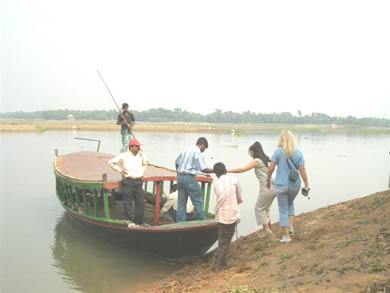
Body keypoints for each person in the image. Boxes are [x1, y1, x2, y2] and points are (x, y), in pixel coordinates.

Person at [266, 130, 310, 243]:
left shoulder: (277, 152)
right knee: (290, 204)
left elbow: (271, 168)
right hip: (294, 185)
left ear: (281, 139)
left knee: (283, 209)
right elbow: (302, 170)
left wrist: (267, 179)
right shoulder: (299, 152)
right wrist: (306, 184)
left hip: (281, 185)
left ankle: (286, 237)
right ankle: (290, 227)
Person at [228, 142, 276, 233]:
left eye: (250, 152)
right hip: (274, 187)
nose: (250, 154)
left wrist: (227, 170)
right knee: (266, 209)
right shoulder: (267, 159)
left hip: (266, 187)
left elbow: (242, 169)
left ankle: (267, 231)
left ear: (253, 151)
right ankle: (269, 230)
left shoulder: (257, 161)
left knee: (259, 209)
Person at [108, 138, 148, 227]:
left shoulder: (142, 155)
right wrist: (120, 171)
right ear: (131, 147)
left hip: (138, 181)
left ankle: (139, 222)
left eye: (139, 146)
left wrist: (142, 173)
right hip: (128, 181)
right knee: (128, 202)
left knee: (141, 202)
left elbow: (145, 164)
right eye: (136, 146)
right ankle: (130, 222)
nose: (138, 148)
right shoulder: (124, 156)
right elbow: (111, 162)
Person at [175, 137, 214, 222]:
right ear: (202, 145)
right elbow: (203, 169)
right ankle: (202, 221)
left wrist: (178, 174)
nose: (203, 151)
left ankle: (181, 223)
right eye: (204, 149)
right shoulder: (197, 152)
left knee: (181, 202)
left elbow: (177, 162)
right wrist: (216, 170)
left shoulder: (186, 149)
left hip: (180, 177)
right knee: (198, 201)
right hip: (189, 178)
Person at [213, 162, 242, 271]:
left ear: (216, 174)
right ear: (226, 170)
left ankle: (220, 261)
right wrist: (236, 203)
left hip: (220, 214)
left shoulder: (216, 184)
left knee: (221, 239)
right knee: (227, 240)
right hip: (231, 214)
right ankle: (220, 264)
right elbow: (239, 197)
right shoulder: (235, 180)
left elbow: (220, 197)